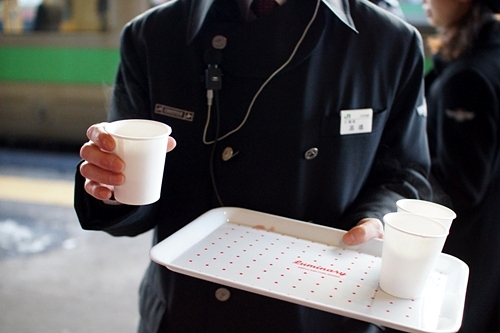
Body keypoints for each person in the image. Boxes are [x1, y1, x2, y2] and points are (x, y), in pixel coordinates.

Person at [74, 0, 432, 332]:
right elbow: (133, 193)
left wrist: (377, 217)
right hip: (187, 309)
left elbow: (406, 174)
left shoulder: (390, 43)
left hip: (321, 314)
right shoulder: (153, 35)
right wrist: (111, 185)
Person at [423, 0, 500, 332]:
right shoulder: (488, 53)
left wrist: (401, 178)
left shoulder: (469, 77)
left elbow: (462, 185)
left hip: (465, 243)